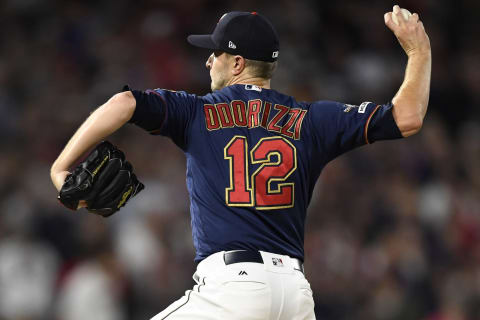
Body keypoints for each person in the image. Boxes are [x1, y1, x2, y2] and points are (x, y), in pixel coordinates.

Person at [51, 6, 431, 320]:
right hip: (295, 297)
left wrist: (61, 167)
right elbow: (407, 117)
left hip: (233, 289)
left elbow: (124, 103)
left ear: (236, 62)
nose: (207, 61)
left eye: (214, 53)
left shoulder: (196, 112)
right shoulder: (312, 119)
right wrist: (418, 52)